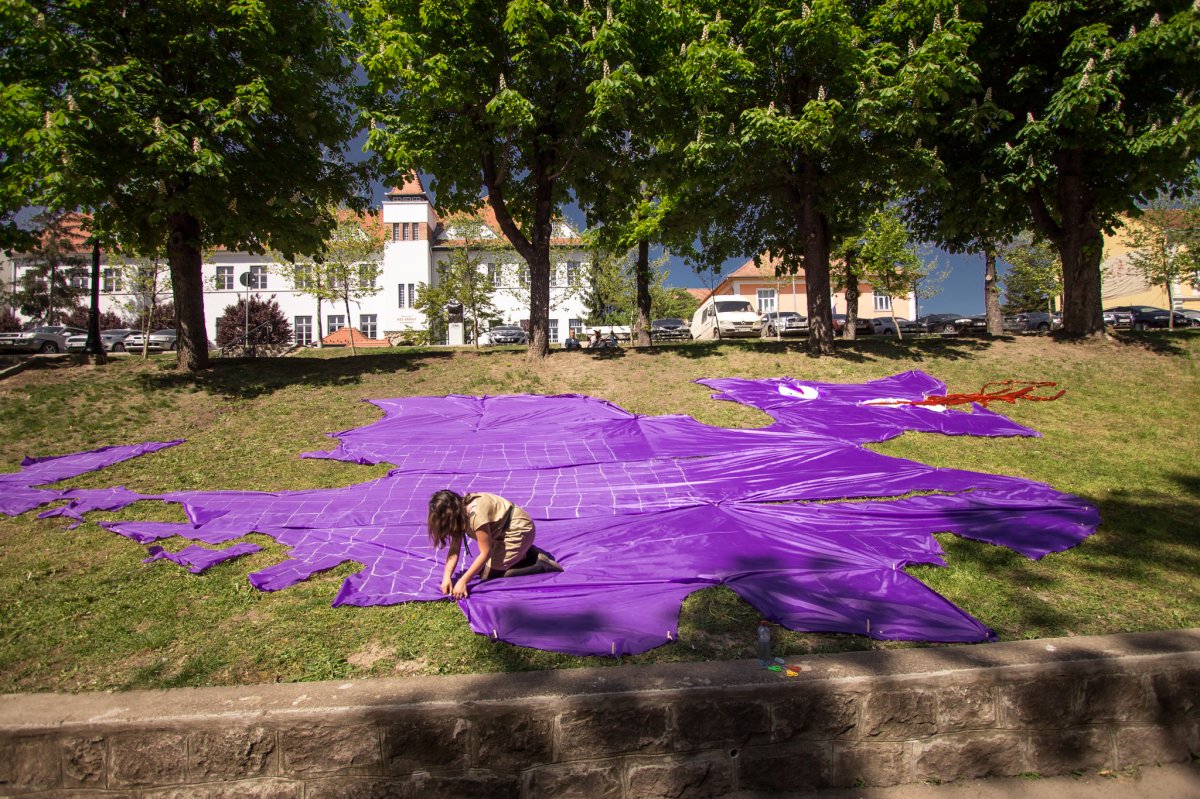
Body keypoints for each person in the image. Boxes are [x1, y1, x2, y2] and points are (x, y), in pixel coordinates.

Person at [427, 489, 562, 599]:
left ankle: (539, 565)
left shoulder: (475, 516)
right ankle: (525, 551)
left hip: (519, 529)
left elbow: (486, 552)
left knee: (490, 575)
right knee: (482, 570)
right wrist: (446, 578)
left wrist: (463, 581)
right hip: (502, 533)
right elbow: (454, 550)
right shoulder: (460, 512)